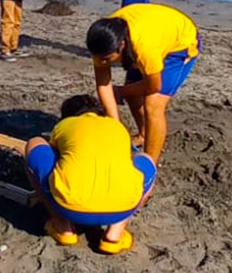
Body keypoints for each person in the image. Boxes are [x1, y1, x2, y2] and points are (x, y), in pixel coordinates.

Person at [24, 94, 156, 254]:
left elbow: (54, 152)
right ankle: (115, 233)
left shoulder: (65, 125)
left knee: (34, 144)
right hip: (122, 208)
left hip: (69, 206)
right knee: (146, 159)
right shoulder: (118, 127)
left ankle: (63, 226)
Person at [86, 3, 199, 164]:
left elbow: (153, 86)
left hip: (181, 42)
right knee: (133, 95)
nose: (101, 62)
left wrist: (122, 91)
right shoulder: (103, 41)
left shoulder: (144, 49)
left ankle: (150, 163)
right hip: (149, 29)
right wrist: (116, 128)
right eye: (99, 58)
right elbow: (104, 85)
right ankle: (143, 135)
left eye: (107, 59)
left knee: (153, 104)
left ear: (122, 46)